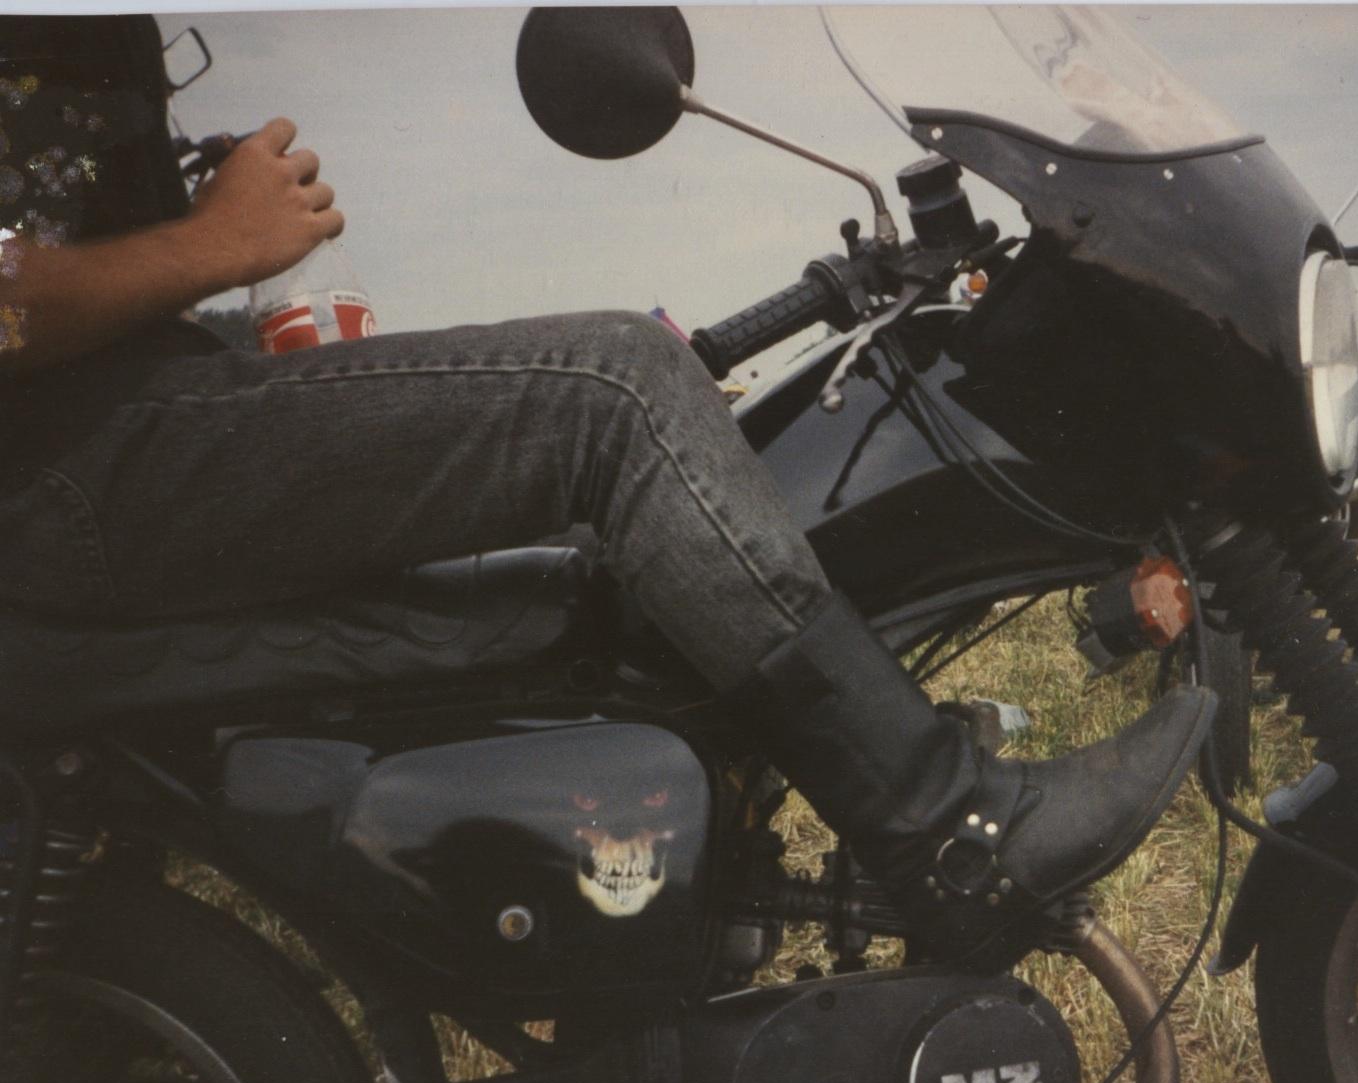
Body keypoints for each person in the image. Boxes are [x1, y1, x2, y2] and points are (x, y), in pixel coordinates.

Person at [0, 16, 1214, 965]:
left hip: (115, 429)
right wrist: (214, 244)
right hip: (63, 466)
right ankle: (953, 838)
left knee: (587, 560)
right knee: (617, 389)